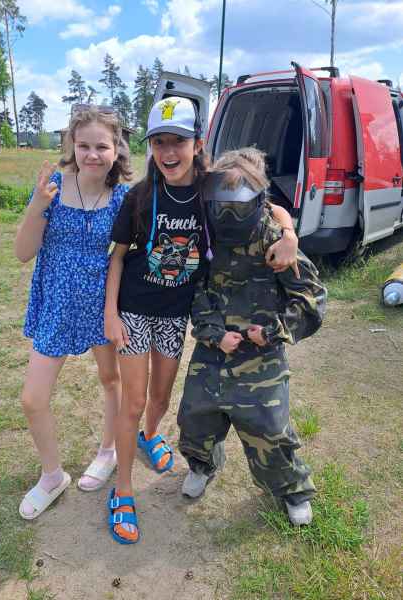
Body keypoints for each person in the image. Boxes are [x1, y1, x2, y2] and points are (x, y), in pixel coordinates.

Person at [104, 97, 301, 544]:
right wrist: (110, 314)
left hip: (176, 315)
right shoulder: (140, 196)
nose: (168, 152)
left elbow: (268, 205)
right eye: (159, 142)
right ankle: (124, 491)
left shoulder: (212, 186)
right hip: (134, 311)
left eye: (178, 141)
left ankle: (150, 436)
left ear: (197, 144)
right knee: (133, 402)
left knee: (160, 399)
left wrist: (289, 234)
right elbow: (116, 259)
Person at [177, 147, 327, 526]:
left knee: (270, 430)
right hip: (213, 350)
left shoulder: (273, 240)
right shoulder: (206, 238)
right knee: (195, 417)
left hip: (262, 353)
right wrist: (213, 333)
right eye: (221, 203)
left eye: (238, 204)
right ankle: (202, 466)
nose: (229, 213)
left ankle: (292, 490)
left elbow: (311, 300)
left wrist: (273, 332)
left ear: (258, 200)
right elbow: (196, 291)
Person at [15, 106, 132, 519]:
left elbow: (121, 258)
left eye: (102, 146)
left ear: (116, 149)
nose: (92, 154)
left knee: (110, 379)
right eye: (83, 145)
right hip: (57, 304)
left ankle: (108, 450)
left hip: (101, 305)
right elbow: (22, 253)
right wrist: (37, 205)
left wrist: (113, 312)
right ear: (72, 146)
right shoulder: (51, 187)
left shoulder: (122, 199)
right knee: (33, 399)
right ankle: (52, 476)